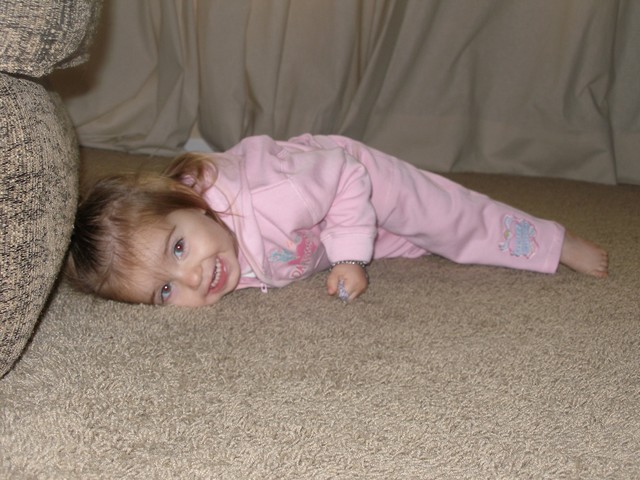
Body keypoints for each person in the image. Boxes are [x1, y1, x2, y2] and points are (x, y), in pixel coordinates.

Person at [67, 134, 608, 307]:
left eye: (179, 249)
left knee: (446, 221)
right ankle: (367, 240)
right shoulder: (212, 246)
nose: (191, 278)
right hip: (315, 236)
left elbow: (346, 176)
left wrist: (349, 254)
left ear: (188, 201)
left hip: (348, 179)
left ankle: (552, 243)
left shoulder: (277, 195)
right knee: (412, 247)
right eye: (164, 292)